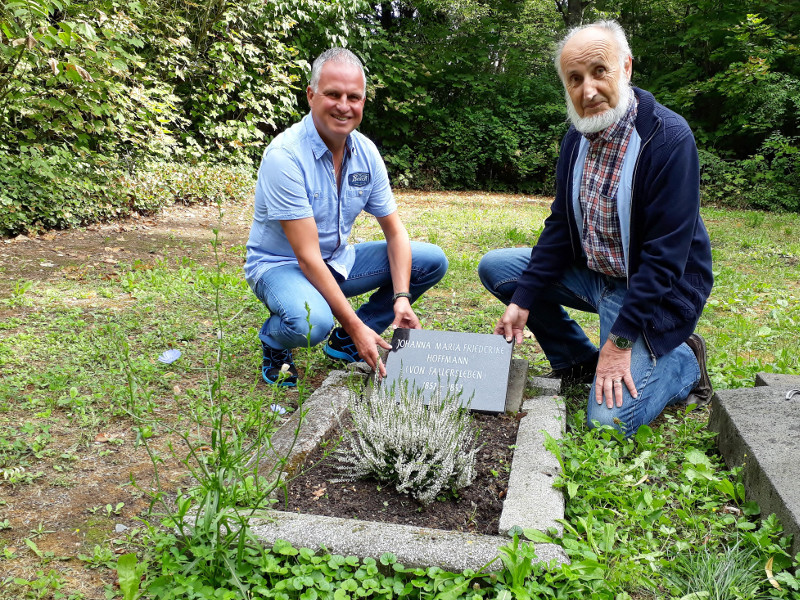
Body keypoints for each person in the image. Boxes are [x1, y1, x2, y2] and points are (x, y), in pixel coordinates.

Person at [478, 20, 713, 436]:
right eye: (575, 79)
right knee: (500, 269)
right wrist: (524, 298)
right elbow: (560, 226)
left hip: (653, 292)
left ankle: (684, 363)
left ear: (626, 68)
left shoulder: (668, 139)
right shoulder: (576, 138)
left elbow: (664, 259)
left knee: (608, 424)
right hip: (594, 274)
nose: (587, 91)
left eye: (599, 71)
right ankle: (577, 360)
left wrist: (620, 342)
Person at [244, 48, 448, 387]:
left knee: (429, 260)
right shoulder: (285, 157)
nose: (344, 105)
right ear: (311, 95)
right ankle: (274, 340)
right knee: (310, 324)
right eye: (333, 94)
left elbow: (396, 232)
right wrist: (355, 323)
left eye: (353, 97)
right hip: (281, 266)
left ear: (363, 102)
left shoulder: (366, 153)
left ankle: (346, 341)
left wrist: (401, 297)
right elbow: (307, 258)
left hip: (336, 261)